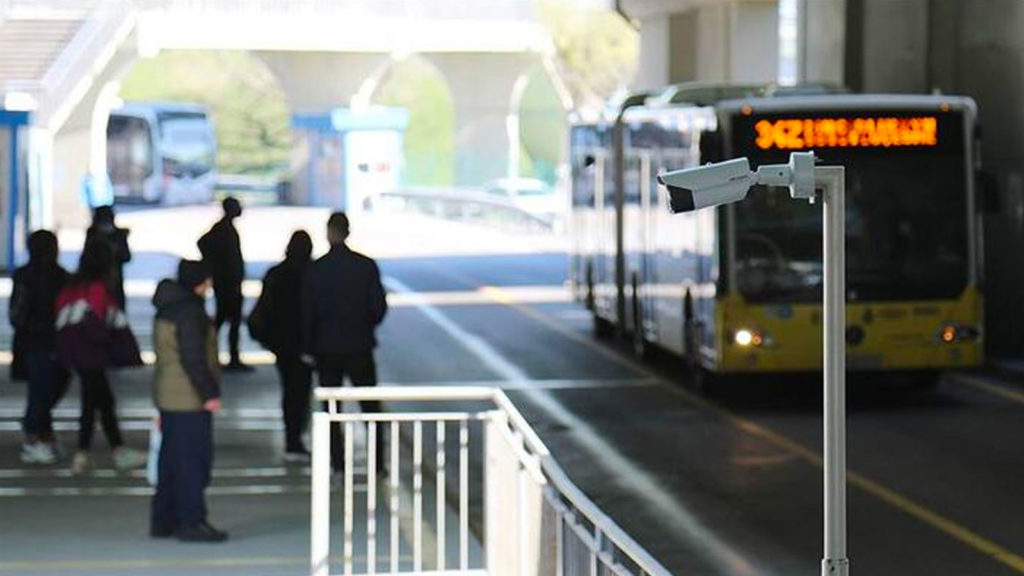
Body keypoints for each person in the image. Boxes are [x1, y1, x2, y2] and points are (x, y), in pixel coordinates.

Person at [302, 213, 387, 471]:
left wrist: (308, 346)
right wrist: (364, 326)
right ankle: (377, 463)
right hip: (360, 346)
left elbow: (307, 312)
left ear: (329, 233)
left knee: (331, 410)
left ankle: (337, 463)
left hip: (326, 349)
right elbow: (378, 307)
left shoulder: (316, 269)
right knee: (370, 407)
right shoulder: (366, 266)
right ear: (348, 232)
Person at [150, 259, 228, 543]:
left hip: (168, 397)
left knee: (170, 462)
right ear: (200, 282)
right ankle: (191, 521)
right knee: (194, 463)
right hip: (188, 400)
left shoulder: (166, 309)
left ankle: (163, 520)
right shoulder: (191, 314)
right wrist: (209, 394)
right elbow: (194, 358)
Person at [56, 239, 146, 474]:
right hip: (92, 354)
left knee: (98, 402)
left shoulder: (74, 284)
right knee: (99, 403)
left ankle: (91, 453)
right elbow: (100, 322)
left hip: (76, 352)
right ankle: (106, 453)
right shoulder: (97, 287)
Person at [9, 231, 71, 464]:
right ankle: (34, 436)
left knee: (43, 388)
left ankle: (40, 431)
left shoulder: (30, 275)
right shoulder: (53, 276)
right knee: (43, 389)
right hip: (42, 341)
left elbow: (17, 312)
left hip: (36, 341)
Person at [252, 231, 314, 460]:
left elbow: (265, 308)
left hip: (282, 344)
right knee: (302, 391)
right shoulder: (312, 273)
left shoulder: (275, 274)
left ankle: (293, 436)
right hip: (306, 343)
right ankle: (298, 437)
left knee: (290, 391)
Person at [198, 197, 250, 372]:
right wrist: (217, 267)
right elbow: (203, 243)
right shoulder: (222, 229)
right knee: (226, 321)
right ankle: (217, 354)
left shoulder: (225, 228)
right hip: (227, 284)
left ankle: (226, 356)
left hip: (228, 282)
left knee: (228, 321)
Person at [85, 205, 131, 308]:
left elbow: (127, 256)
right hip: (97, 279)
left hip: (113, 281)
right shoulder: (92, 234)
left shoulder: (118, 235)